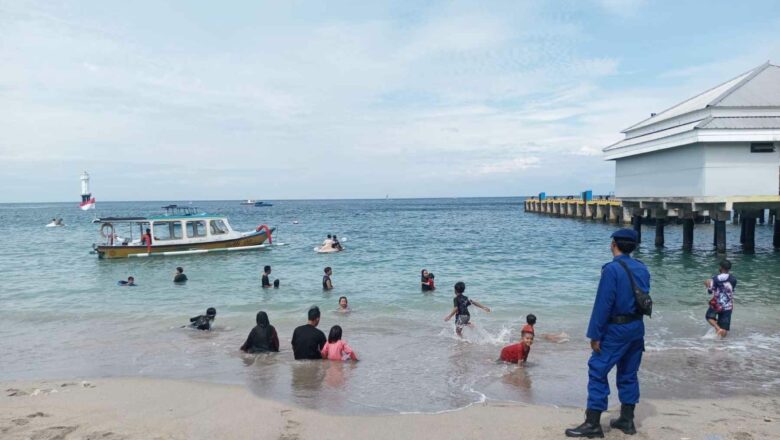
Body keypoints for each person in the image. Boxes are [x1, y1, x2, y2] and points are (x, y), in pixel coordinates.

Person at [566, 229, 650, 438]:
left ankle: (593, 424)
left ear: (614, 244)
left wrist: (595, 334)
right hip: (636, 327)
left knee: (597, 370)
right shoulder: (642, 268)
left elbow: (603, 305)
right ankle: (627, 421)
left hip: (616, 329)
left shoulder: (611, 269)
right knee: (629, 373)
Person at [705, 259, 736, 338]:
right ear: (729, 269)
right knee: (724, 327)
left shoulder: (715, 278)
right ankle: (722, 345)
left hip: (717, 303)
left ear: (721, 268)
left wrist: (707, 284)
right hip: (728, 305)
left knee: (709, 317)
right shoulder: (733, 279)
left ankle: (717, 328)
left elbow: (710, 291)